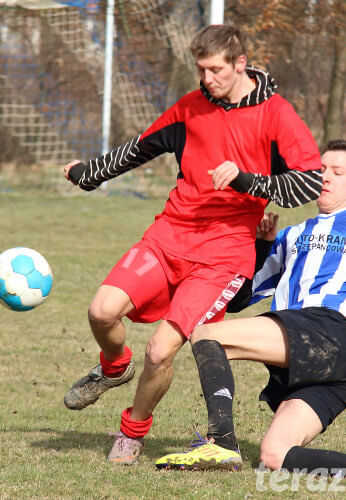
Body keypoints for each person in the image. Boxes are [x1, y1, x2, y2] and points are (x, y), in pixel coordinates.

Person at [62, 24, 324, 465]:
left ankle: (132, 432)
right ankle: (112, 367)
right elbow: (139, 148)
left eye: (216, 69)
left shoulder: (277, 114)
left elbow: (309, 182)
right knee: (101, 311)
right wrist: (88, 175)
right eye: (201, 69)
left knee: (160, 350)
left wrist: (247, 181)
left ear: (240, 64)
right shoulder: (191, 107)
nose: (207, 79)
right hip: (169, 236)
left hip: (222, 255)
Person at [155, 139, 346, 489]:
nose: (325, 178)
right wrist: (260, 246)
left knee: (206, 333)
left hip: (334, 332)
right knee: (275, 455)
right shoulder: (292, 236)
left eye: (337, 172)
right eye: (320, 170)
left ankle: (221, 443)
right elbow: (241, 297)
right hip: (331, 367)